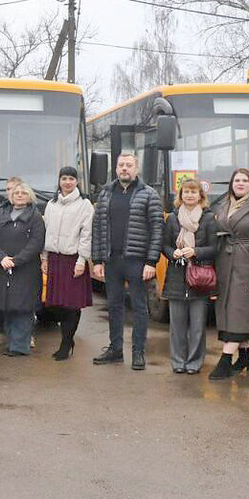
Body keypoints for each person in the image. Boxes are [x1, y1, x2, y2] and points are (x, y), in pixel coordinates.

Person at [91, 153, 164, 370]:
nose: (125, 169)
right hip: (112, 260)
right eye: (121, 165)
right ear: (115, 169)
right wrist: (97, 260)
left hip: (138, 262)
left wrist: (151, 261)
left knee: (139, 307)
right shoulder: (105, 194)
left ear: (136, 169)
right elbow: (97, 228)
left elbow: (157, 229)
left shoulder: (149, 194)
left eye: (129, 165)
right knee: (114, 306)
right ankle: (115, 350)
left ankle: (138, 352)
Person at [208, 168, 249, 380]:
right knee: (229, 309)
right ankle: (246, 356)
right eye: (236, 180)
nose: (240, 184)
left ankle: (226, 360)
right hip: (225, 262)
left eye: (244, 181)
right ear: (231, 184)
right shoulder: (223, 205)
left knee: (240, 310)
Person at [161, 178, 216, 375]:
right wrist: (171, 253)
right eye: (186, 192)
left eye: (194, 192)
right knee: (176, 326)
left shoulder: (208, 219)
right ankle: (178, 361)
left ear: (200, 196)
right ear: (181, 195)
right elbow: (165, 244)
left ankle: (194, 363)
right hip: (176, 277)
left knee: (198, 326)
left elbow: (214, 248)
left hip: (199, 279)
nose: (190, 195)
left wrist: (195, 252)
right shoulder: (173, 218)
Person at [42, 166, 94, 361]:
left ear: (77, 182)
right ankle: (67, 339)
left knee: (71, 305)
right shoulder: (51, 204)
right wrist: (44, 258)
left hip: (73, 260)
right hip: (55, 258)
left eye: (72, 179)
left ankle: (66, 343)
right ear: (59, 181)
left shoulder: (84, 205)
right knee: (56, 304)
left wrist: (82, 260)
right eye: (64, 178)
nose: (68, 182)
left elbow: (86, 234)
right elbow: (46, 231)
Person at [0, 182, 45, 356]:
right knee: (7, 306)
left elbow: (36, 243)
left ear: (30, 196)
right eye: (16, 192)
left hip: (26, 269)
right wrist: (2, 258)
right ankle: (11, 342)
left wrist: (16, 260)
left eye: (23, 193)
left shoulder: (35, 216)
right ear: (10, 196)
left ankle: (20, 347)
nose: (19, 195)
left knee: (23, 307)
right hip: (3, 267)